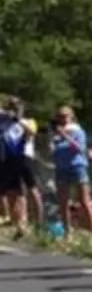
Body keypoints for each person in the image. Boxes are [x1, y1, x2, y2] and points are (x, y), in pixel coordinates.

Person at [48, 104, 92, 235]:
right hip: (61, 168)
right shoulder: (56, 135)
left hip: (77, 166)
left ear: (71, 117)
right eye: (60, 117)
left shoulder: (77, 131)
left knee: (84, 200)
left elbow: (79, 148)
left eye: (65, 116)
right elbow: (53, 151)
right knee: (63, 201)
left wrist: (65, 135)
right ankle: (67, 231)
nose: (62, 119)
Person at [0, 96, 37, 238]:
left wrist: (18, 118)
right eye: (11, 106)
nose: (13, 109)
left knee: (22, 192)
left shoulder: (28, 121)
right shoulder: (3, 120)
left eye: (16, 106)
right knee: (10, 192)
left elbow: (31, 132)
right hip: (5, 159)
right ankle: (15, 222)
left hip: (21, 159)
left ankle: (24, 221)